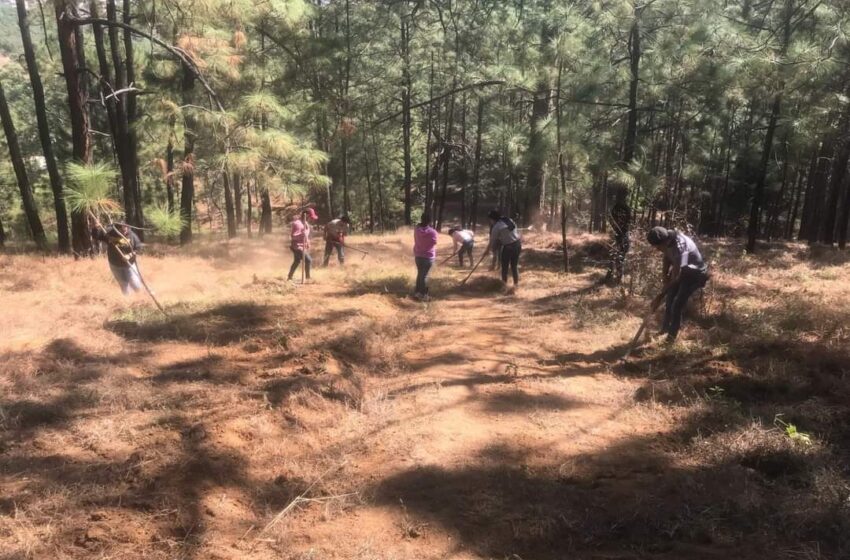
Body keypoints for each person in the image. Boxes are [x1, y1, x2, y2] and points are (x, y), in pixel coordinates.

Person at [646, 226, 709, 343]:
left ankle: (670, 339)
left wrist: (660, 296)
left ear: (665, 242)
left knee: (676, 304)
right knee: (669, 300)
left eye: (658, 246)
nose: (657, 249)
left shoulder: (681, 247)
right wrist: (664, 275)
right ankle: (664, 330)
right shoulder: (667, 241)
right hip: (683, 272)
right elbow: (667, 257)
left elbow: (677, 276)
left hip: (695, 275)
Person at [93, 223, 142, 296]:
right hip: (115, 265)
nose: (124, 232)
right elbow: (96, 236)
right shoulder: (109, 233)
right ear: (116, 230)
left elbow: (138, 248)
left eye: (125, 230)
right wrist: (95, 227)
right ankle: (128, 300)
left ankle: (141, 297)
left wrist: (129, 255)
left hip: (129, 264)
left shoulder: (132, 235)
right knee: (123, 285)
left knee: (135, 284)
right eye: (121, 230)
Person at [487, 209, 522, 287]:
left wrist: (487, 251)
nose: (490, 221)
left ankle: (504, 285)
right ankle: (516, 285)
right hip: (517, 244)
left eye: (490, 219)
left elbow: (492, 241)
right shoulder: (509, 220)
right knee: (514, 266)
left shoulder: (496, 227)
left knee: (504, 267)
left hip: (508, 247)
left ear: (492, 219)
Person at [606, 190, 632, 284]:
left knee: (619, 257)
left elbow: (628, 222)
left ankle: (618, 278)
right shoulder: (616, 208)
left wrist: (620, 231)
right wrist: (615, 229)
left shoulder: (625, 209)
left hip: (623, 235)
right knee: (613, 256)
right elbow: (611, 220)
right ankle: (611, 276)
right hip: (618, 235)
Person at [288, 207, 317, 282]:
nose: (311, 219)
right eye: (310, 217)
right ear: (306, 215)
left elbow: (306, 235)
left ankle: (289, 277)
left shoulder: (306, 223)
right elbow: (293, 237)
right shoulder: (297, 224)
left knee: (297, 261)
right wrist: (301, 235)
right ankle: (308, 278)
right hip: (296, 246)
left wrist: (307, 242)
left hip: (302, 246)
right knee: (308, 260)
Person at [413, 213, 438, 300]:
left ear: (421, 219)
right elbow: (434, 242)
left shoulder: (416, 229)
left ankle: (417, 293)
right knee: (424, 276)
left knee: (420, 274)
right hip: (428, 256)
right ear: (429, 221)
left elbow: (418, 226)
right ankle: (423, 295)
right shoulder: (433, 232)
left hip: (418, 255)